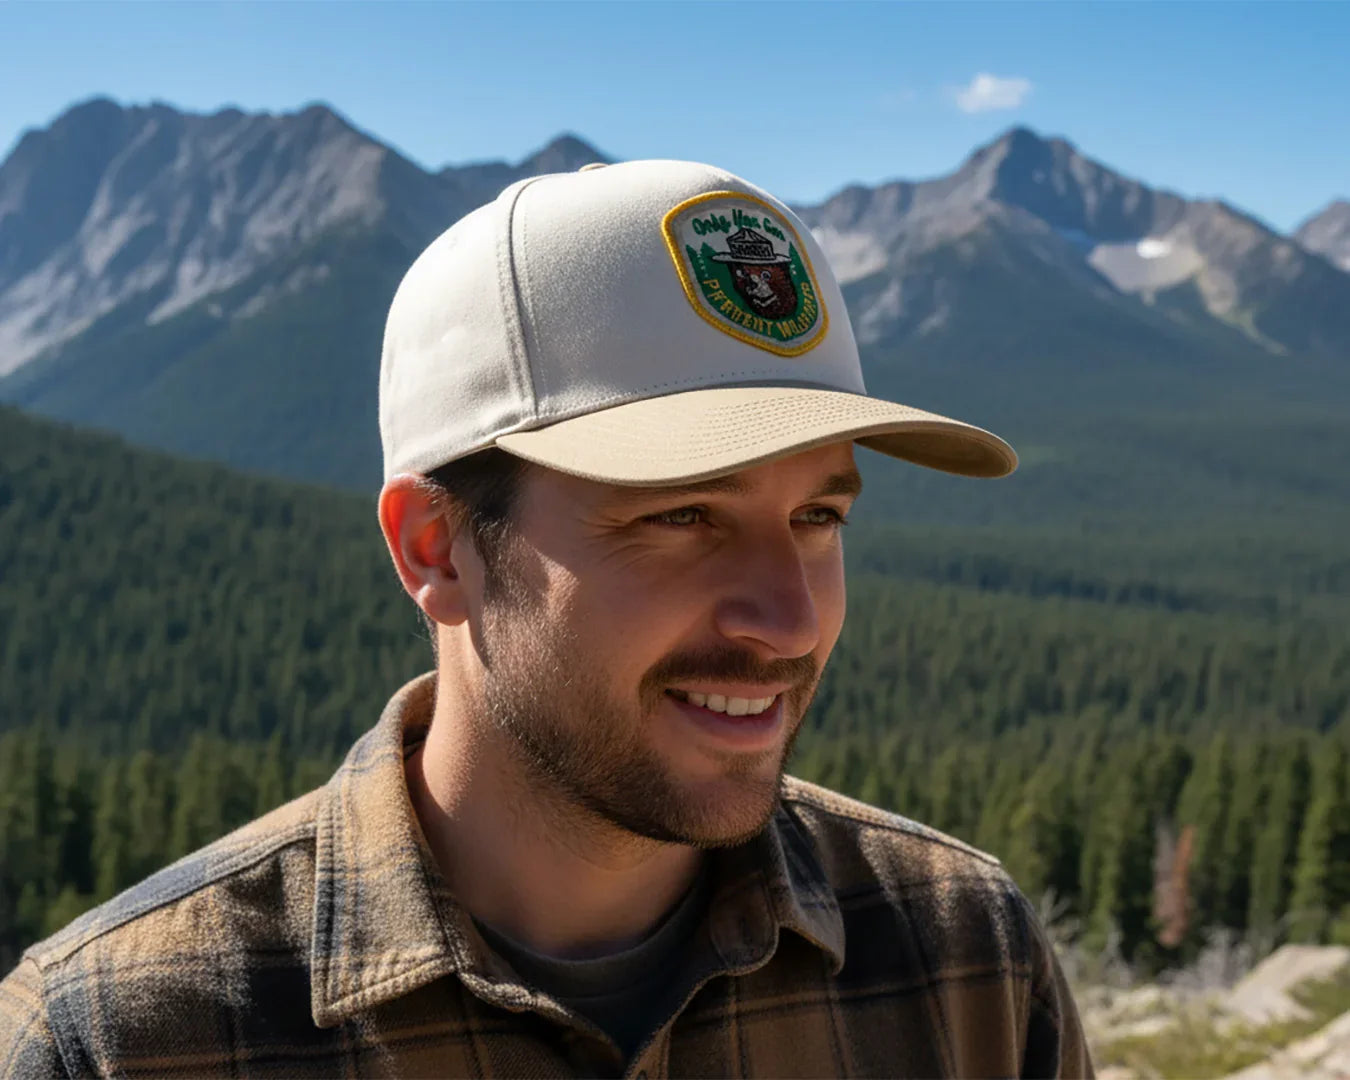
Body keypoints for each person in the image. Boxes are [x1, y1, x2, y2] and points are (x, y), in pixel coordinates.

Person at [0, 159, 1092, 1077]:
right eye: (683, 515)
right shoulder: (122, 1041)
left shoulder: (965, 958)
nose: (791, 619)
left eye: (817, 514)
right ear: (436, 548)